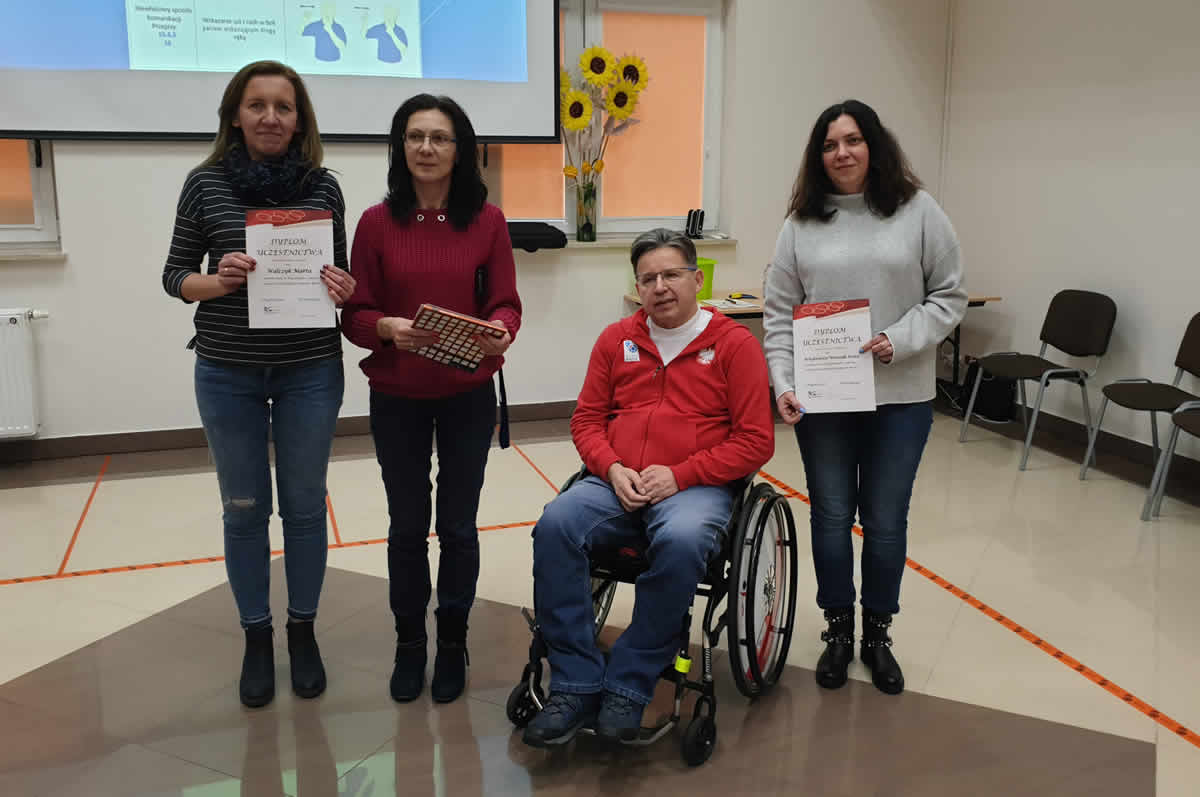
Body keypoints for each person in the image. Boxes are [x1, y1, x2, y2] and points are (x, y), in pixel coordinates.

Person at [522, 228, 774, 747]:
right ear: (637, 287)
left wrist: (681, 474)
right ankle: (574, 682)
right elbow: (586, 421)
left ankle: (629, 684)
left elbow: (755, 441)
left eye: (671, 275)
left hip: (695, 485)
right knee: (555, 525)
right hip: (615, 481)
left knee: (682, 541)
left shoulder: (735, 345)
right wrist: (612, 467)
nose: (660, 287)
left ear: (697, 280)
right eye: (648, 279)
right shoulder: (616, 340)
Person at [161, 60, 356, 708]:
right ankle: (256, 634)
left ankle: (302, 629)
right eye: (257, 105)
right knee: (244, 508)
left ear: (300, 119)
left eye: (284, 106)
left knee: (304, 506)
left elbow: (340, 276)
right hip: (227, 371)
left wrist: (343, 287)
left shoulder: (323, 188)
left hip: (309, 370)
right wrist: (217, 281)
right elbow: (174, 276)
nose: (271, 117)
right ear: (235, 116)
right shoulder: (205, 184)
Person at [763, 99, 966, 695]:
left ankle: (877, 634)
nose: (842, 153)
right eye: (829, 145)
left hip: (900, 399)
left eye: (852, 140)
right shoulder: (801, 224)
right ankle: (837, 629)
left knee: (883, 520)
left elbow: (949, 296)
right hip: (824, 401)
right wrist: (784, 384)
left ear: (874, 145)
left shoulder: (918, 211)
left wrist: (899, 339)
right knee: (830, 517)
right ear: (818, 156)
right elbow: (779, 316)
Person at [341, 94, 521, 705]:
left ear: (460, 149)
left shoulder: (488, 221)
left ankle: (452, 642)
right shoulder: (375, 222)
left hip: (468, 394)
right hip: (398, 396)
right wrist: (386, 328)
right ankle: (409, 643)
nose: (426, 148)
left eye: (440, 138)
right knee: (407, 526)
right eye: (415, 136)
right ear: (400, 147)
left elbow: (505, 303)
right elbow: (355, 314)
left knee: (459, 527)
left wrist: (501, 329)